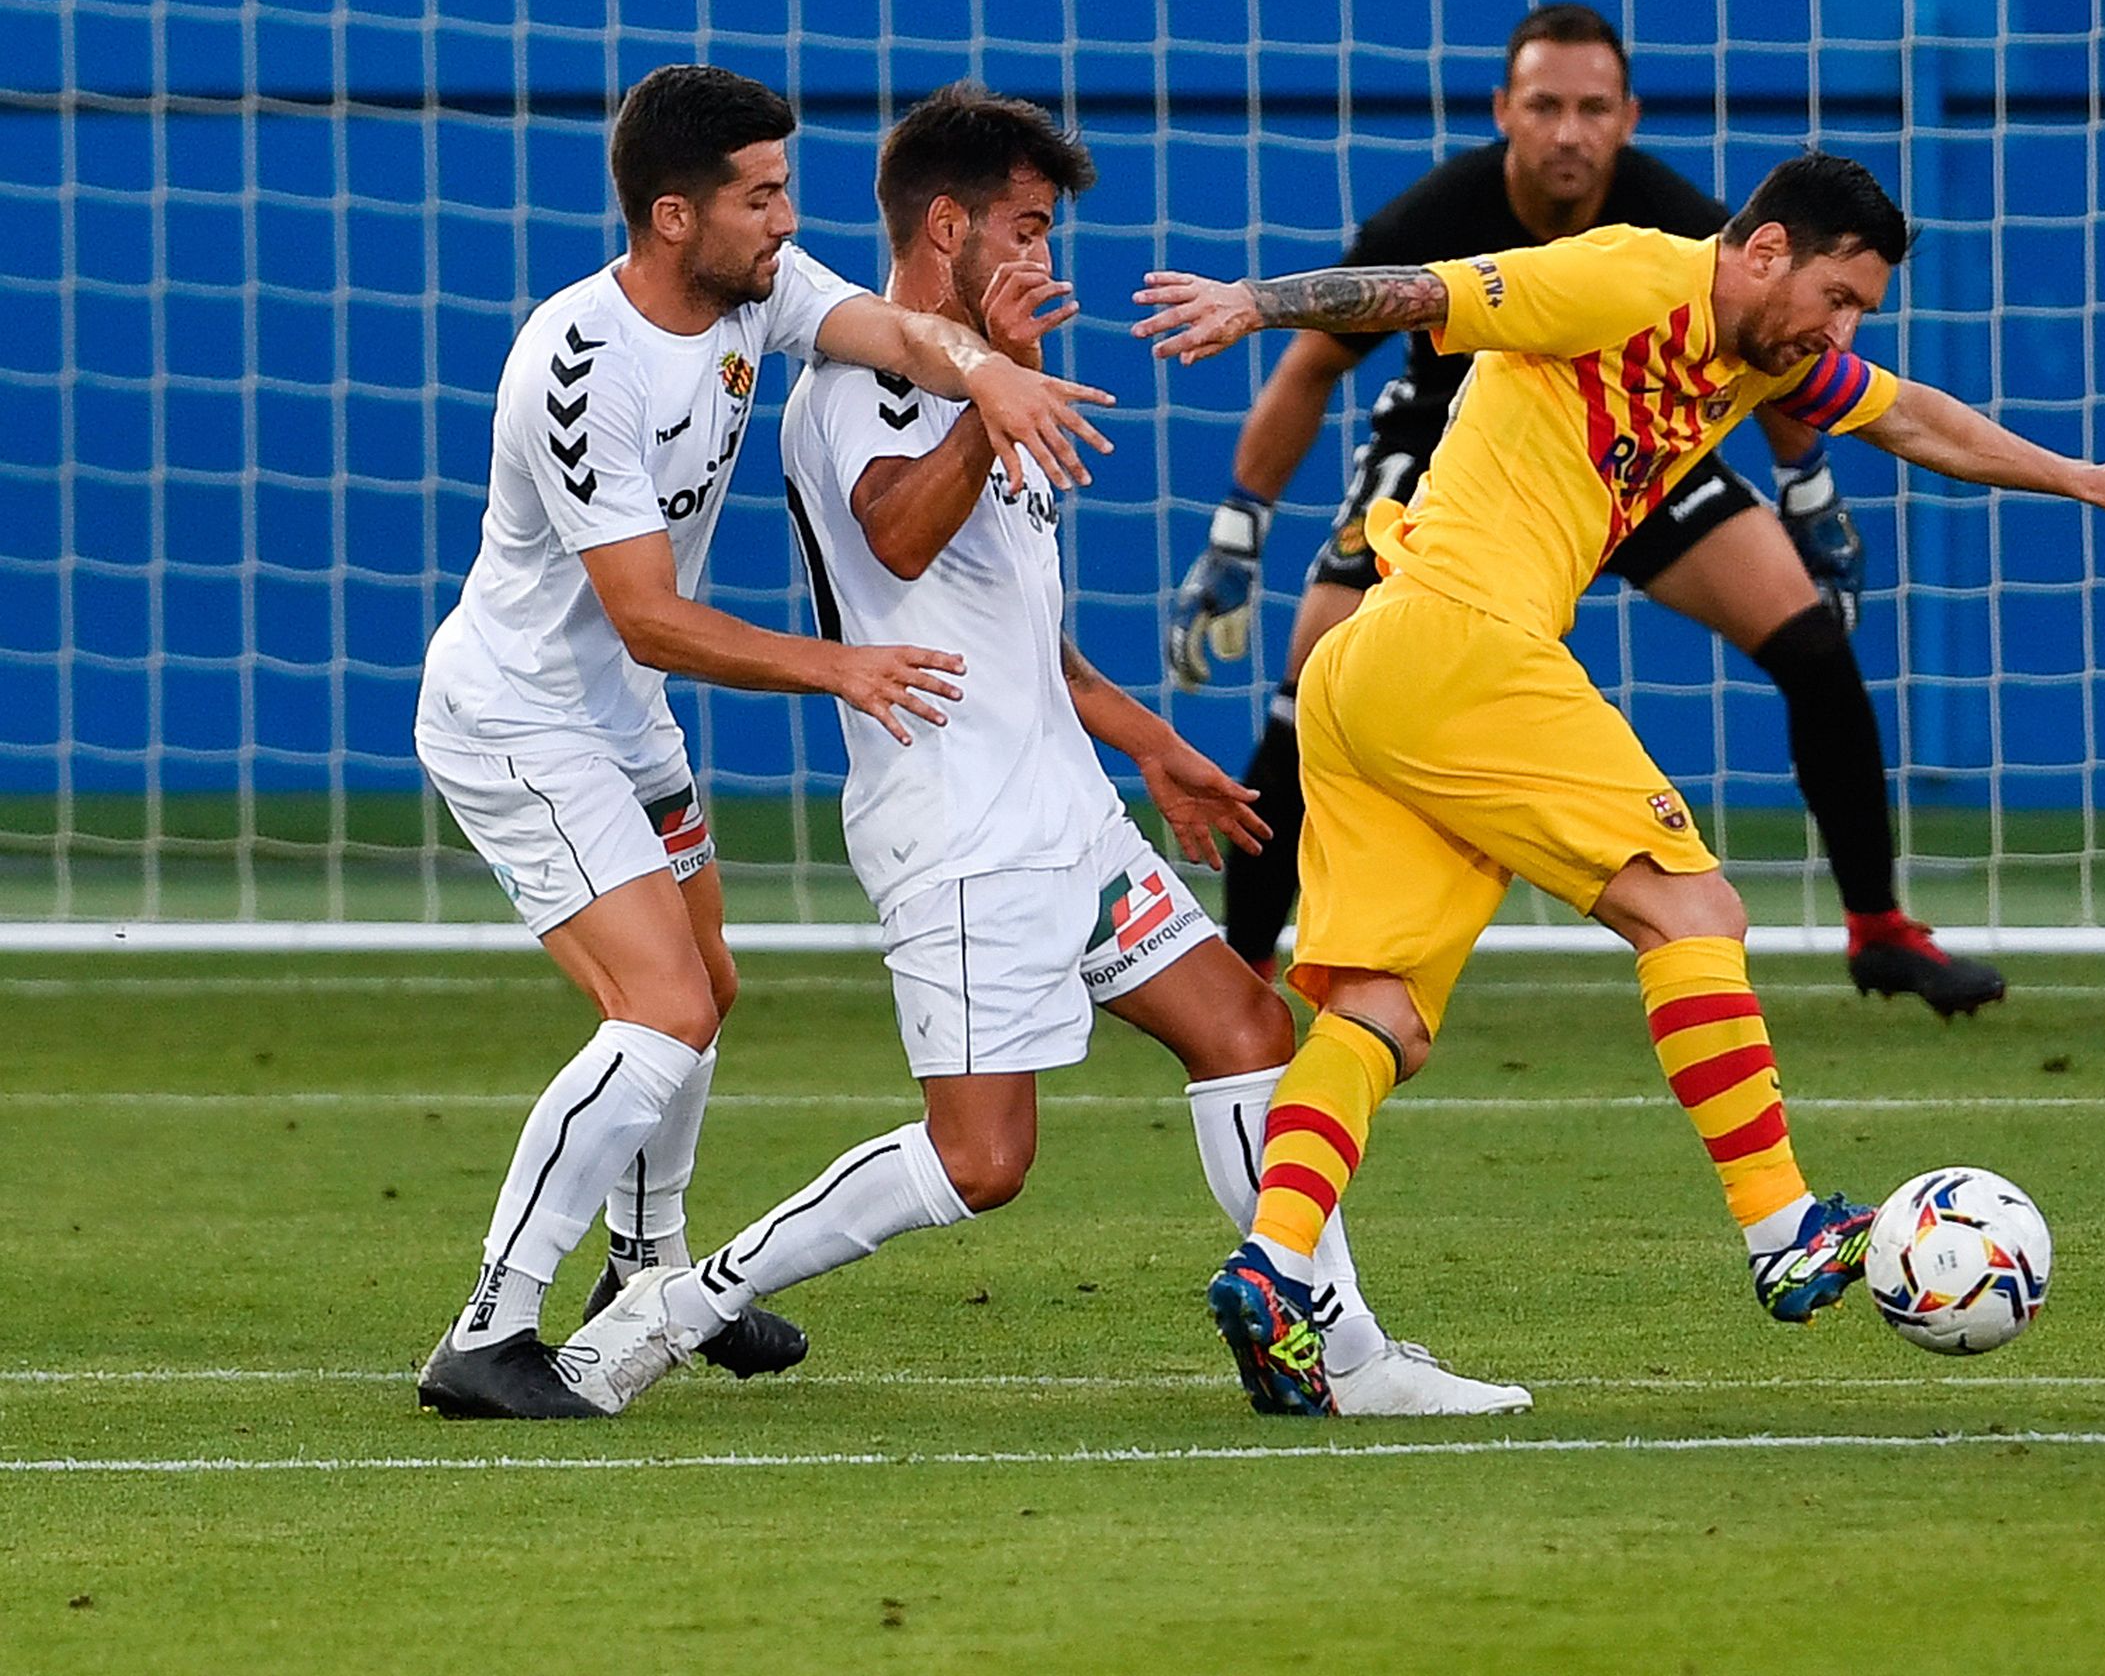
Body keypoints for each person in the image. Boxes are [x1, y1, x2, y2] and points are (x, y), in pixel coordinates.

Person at [1135, 151, 2105, 1414]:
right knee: (1695, 910)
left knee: (1381, 1011)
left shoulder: (1761, 354)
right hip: (1457, 639)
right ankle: (1782, 1233)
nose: (1844, 329)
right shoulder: (1626, 274)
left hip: (1375, 668)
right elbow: (1424, 296)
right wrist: (1257, 303)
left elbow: (1910, 415)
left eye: (1859, 313)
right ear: (1766, 250)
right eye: (1840, 297)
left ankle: (1276, 1270)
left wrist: (2086, 478)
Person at [560, 84, 1524, 1418]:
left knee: (1247, 1025)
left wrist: (1160, 750)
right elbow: (894, 539)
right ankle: (679, 1305)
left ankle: (1342, 1354)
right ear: (947, 227)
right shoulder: (858, 383)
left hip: (1066, 810)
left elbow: (1034, 646)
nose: (1048, 256)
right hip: (958, 826)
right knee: (981, 1161)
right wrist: (986, 402)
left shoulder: (976, 382)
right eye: (1027, 226)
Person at [412, 65, 1113, 1419]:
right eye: (763, 194)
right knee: (659, 1012)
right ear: (675, 217)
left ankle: (645, 1269)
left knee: (707, 990)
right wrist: (843, 665)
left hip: (619, 714)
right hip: (520, 718)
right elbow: (651, 616)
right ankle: (491, 1328)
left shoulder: (760, 291)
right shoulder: (579, 364)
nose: (790, 218)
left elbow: (902, 336)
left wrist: (990, 375)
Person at [1165, 4, 2005, 1016]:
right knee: (1317, 683)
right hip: (1454, 456)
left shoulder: (1698, 233)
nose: (1569, 130)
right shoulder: (1440, 214)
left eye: (1593, 108)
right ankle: (1241, 968)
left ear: (1629, 116)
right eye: (1546, 105)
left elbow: (1784, 350)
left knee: (1810, 640)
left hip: (1644, 445)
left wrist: (1809, 497)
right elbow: (1311, 368)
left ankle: (1879, 927)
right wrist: (1238, 532)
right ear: (1502, 112)